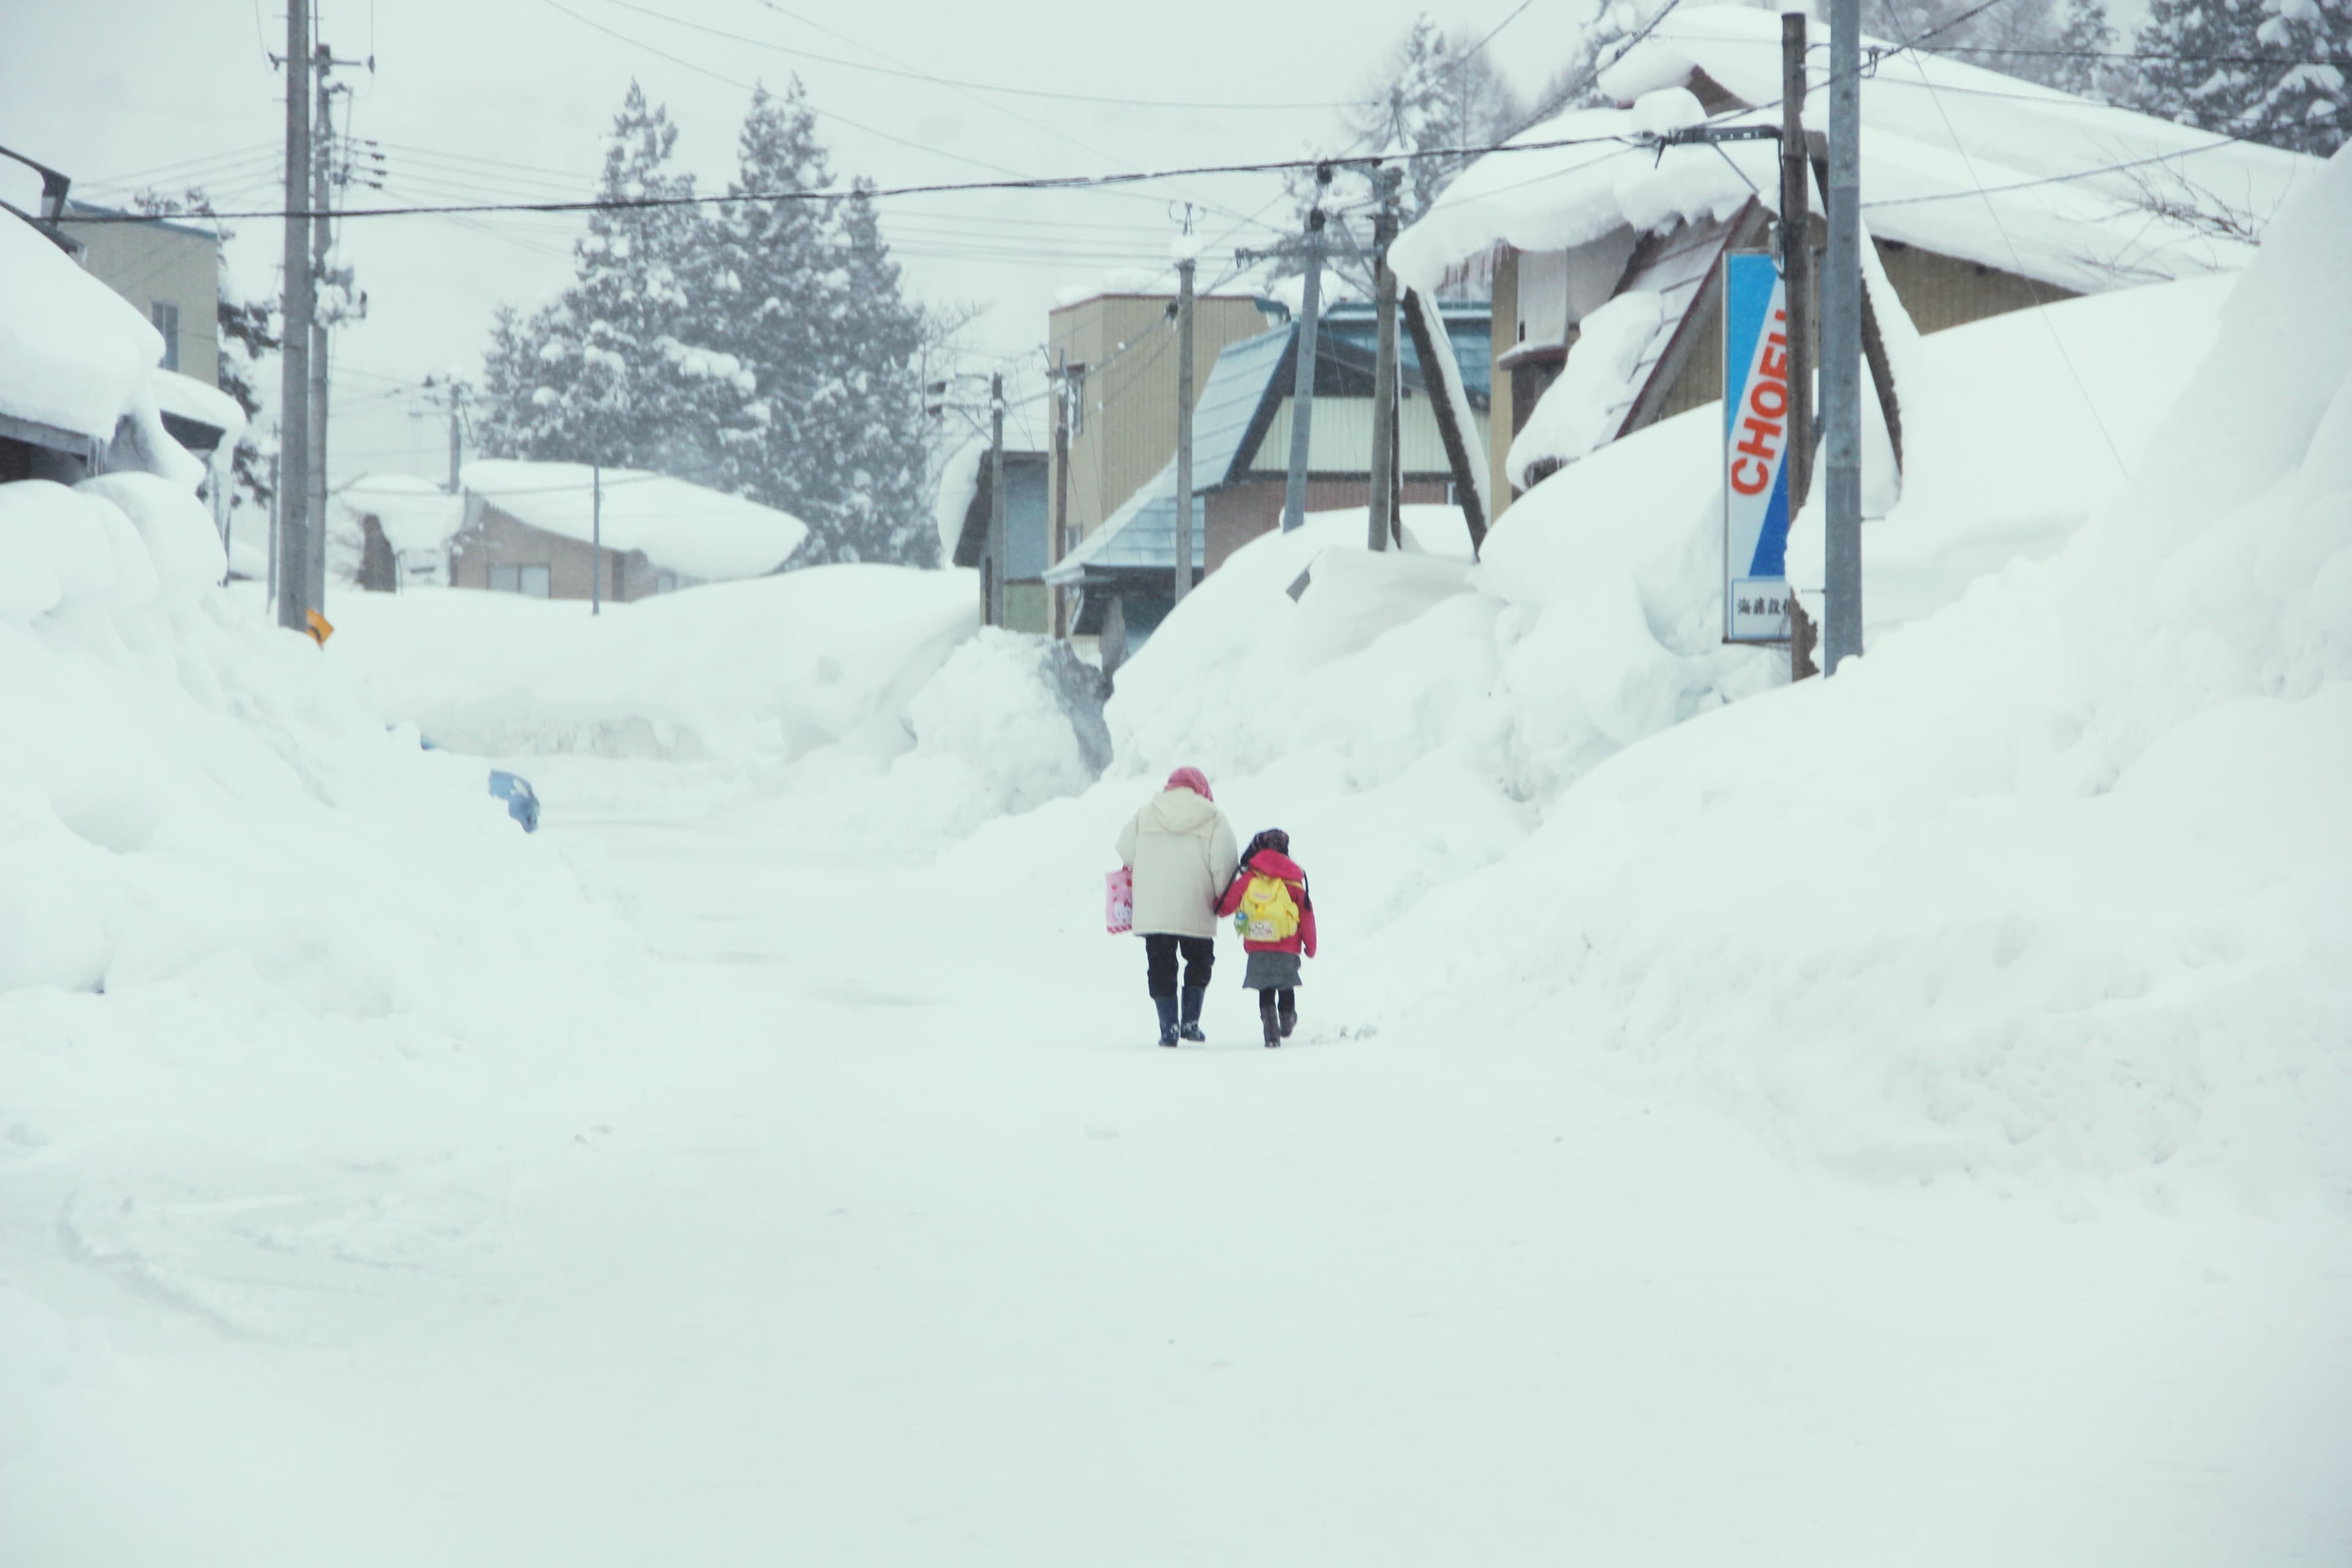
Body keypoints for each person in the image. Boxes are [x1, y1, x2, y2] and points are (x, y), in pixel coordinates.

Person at [1114, 766, 1238, 1047]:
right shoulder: (1214, 818)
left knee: (1161, 966)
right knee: (1199, 961)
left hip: (1155, 910)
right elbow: (1225, 863)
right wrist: (1221, 897)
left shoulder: (1146, 813)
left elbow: (1125, 850)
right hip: (1197, 904)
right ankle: (1190, 1023)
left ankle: (1168, 1028)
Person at [1215, 828, 1317, 1048]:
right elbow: (1306, 914)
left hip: (1258, 944)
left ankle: (1270, 1029)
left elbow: (1226, 905)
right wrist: (1310, 946)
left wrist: (1216, 907)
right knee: (1286, 983)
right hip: (1287, 945)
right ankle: (1287, 1019)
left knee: (1266, 986)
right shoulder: (1293, 880)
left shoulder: (1251, 877)